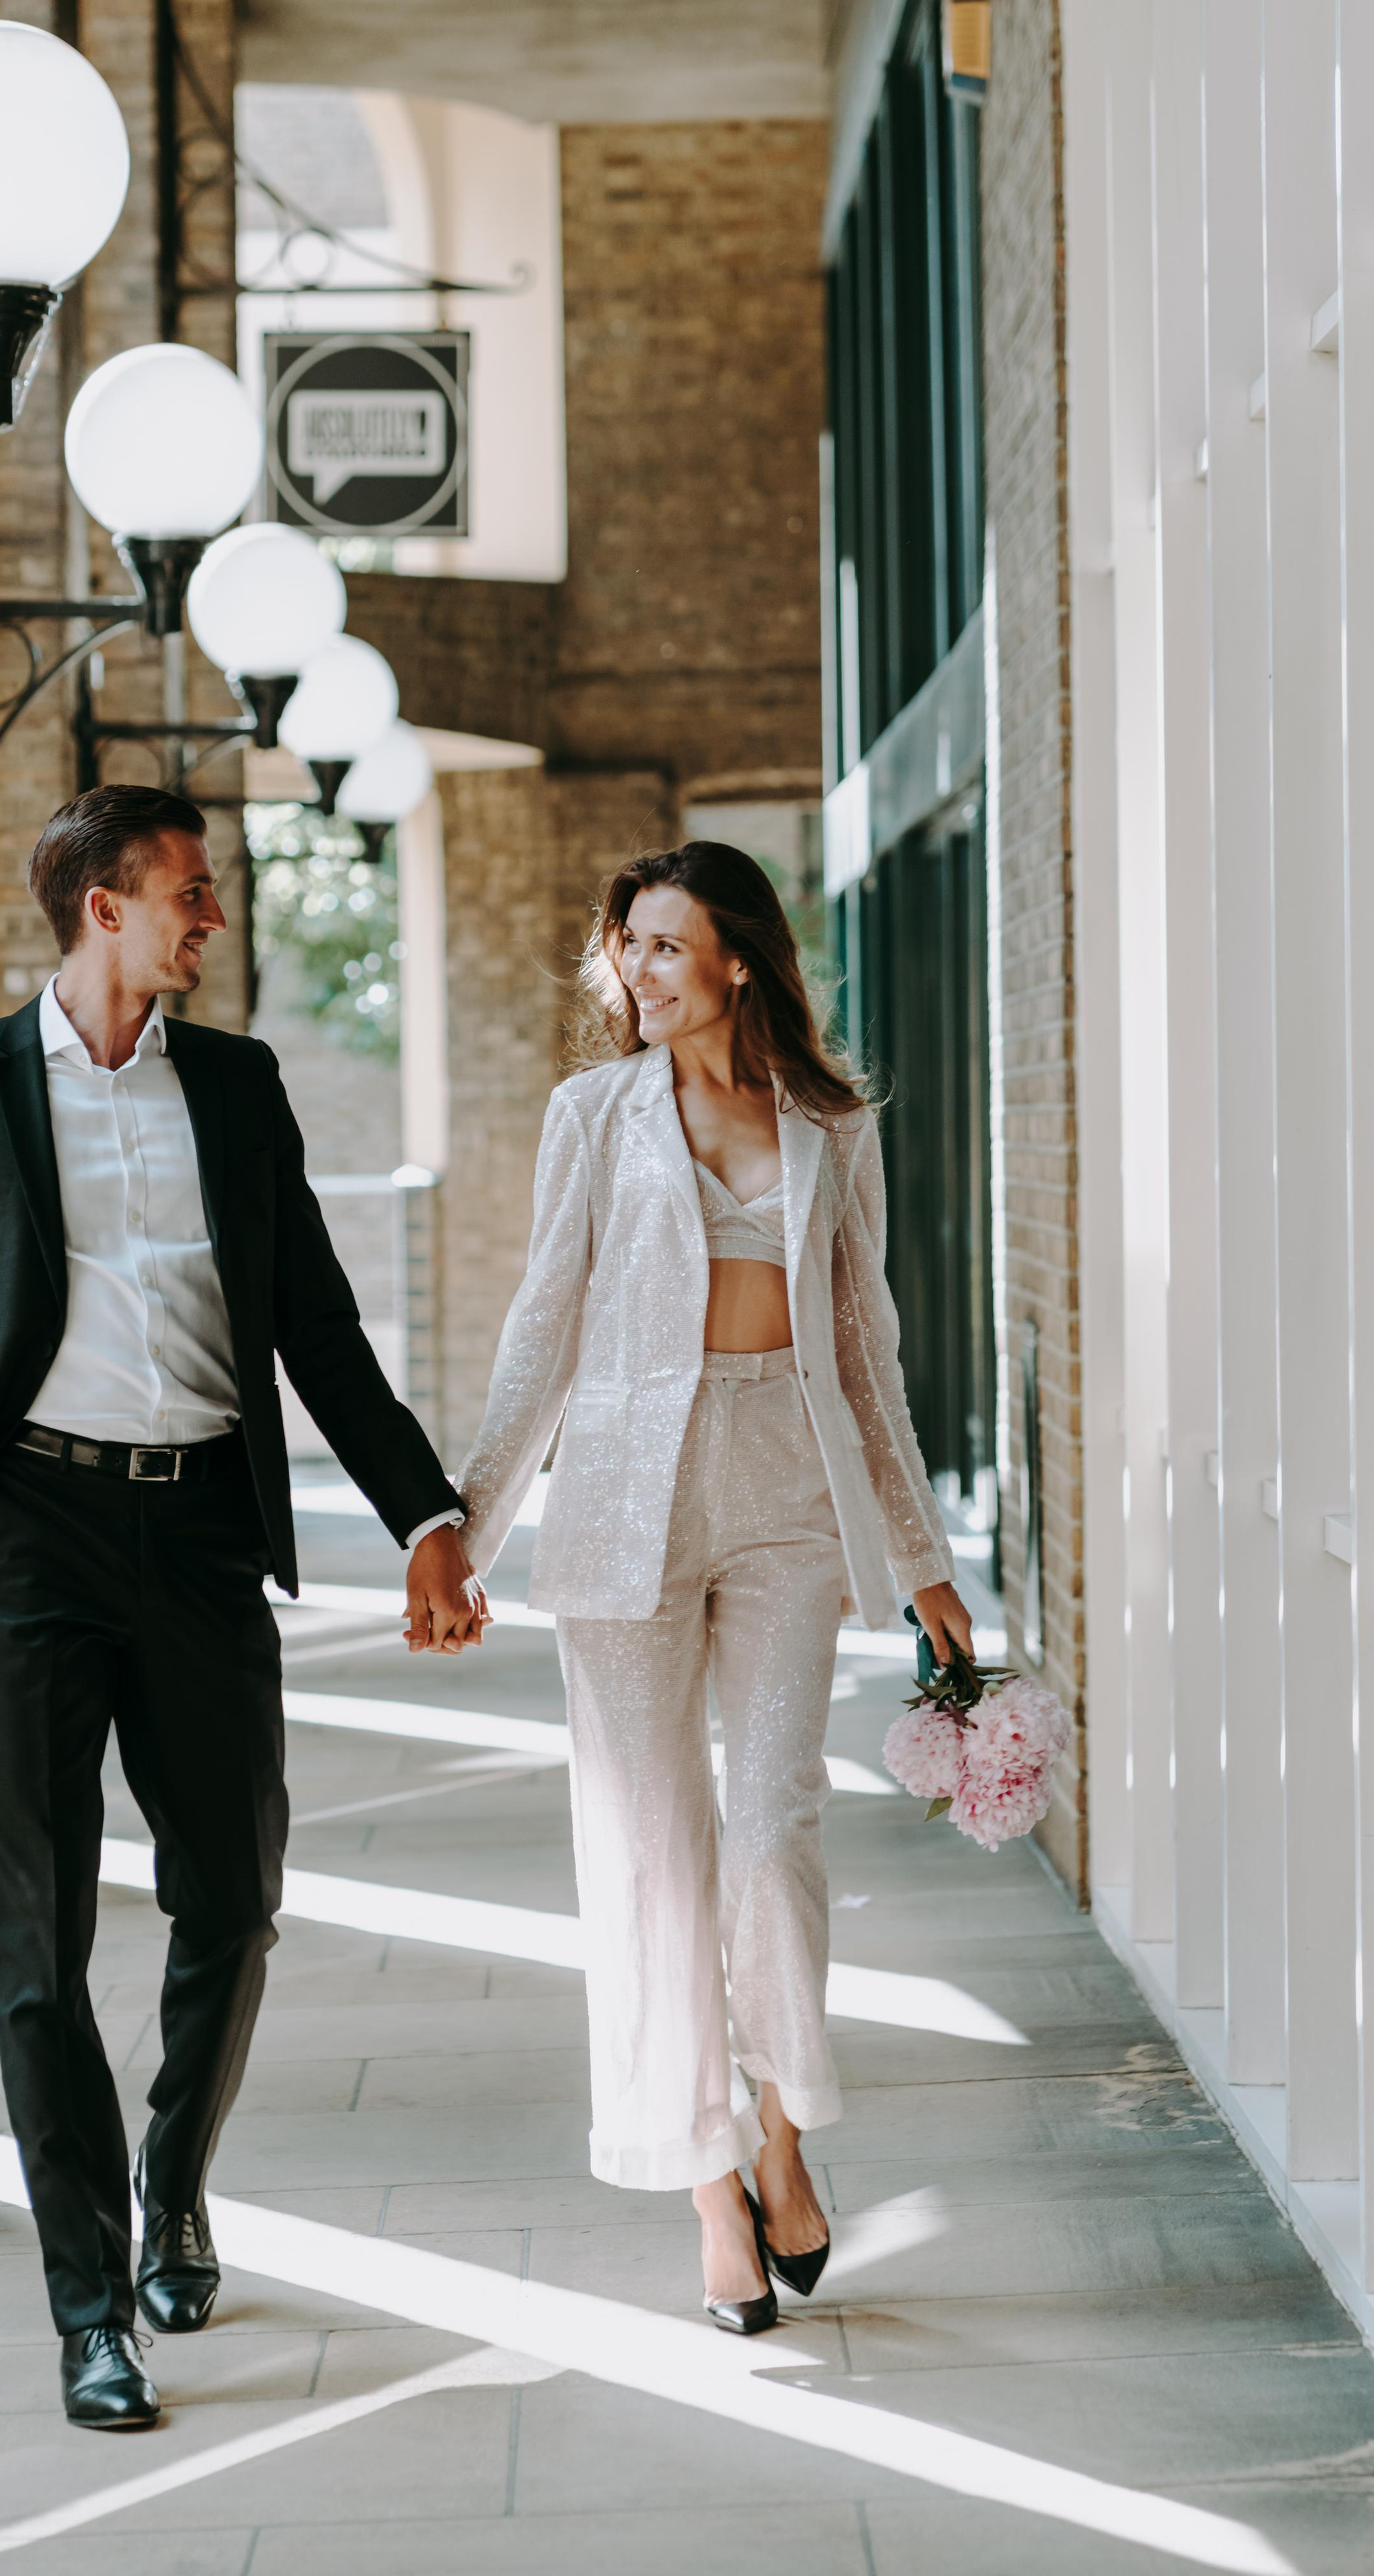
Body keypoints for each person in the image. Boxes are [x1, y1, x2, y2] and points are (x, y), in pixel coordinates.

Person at [0, 785, 484, 2428]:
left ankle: (172, 2172)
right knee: (35, 1941)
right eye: (189, 891)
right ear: (102, 906)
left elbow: (318, 1324)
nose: (212, 916)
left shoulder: (238, 1089)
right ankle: (88, 2302)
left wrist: (429, 1515)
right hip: (26, 1533)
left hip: (195, 1534)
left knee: (233, 1889)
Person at [451, 841, 972, 2332]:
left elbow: (864, 1349)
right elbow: (540, 1323)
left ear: (737, 956)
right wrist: (462, 1535)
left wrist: (924, 1560)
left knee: (768, 1832)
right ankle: (703, 2188)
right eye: (628, 946)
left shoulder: (827, 1122)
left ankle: (786, 2130)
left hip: (787, 1493)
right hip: (626, 1497)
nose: (640, 969)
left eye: (669, 944)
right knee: (646, 1856)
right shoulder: (591, 1114)